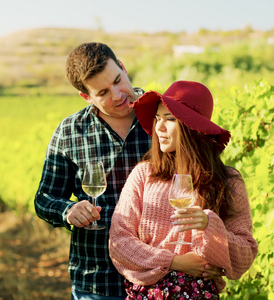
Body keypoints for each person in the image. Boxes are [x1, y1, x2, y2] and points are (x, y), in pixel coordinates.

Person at [34, 43, 224, 299]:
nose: (117, 94)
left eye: (117, 80)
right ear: (86, 96)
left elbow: (205, 180)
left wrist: (212, 252)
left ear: (123, 67)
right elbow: (43, 199)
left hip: (164, 283)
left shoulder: (166, 115)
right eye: (102, 92)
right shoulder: (70, 132)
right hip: (97, 280)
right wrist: (68, 210)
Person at [109, 80, 258, 299]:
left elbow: (244, 256)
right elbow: (119, 242)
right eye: (157, 119)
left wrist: (210, 226)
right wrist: (175, 262)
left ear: (191, 126)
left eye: (169, 120)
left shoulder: (228, 181)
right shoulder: (144, 174)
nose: (159, 128)